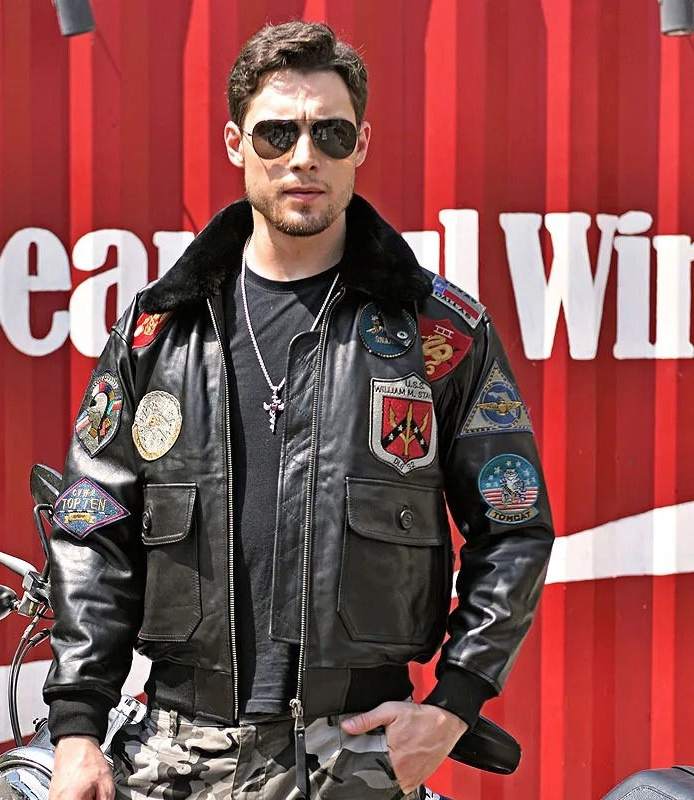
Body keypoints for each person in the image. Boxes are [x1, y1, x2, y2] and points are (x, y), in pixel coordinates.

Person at [44, 20, 554, 800]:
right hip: (176, 757)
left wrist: (453, 705)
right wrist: (78, 729)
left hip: (354, 755)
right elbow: (92, 530)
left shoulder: (438, 332)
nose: (304, 156)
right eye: (277, 132)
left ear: (362, 145)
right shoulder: (158, 332)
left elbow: (513, 528)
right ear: (235, 143)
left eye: (331, 133)